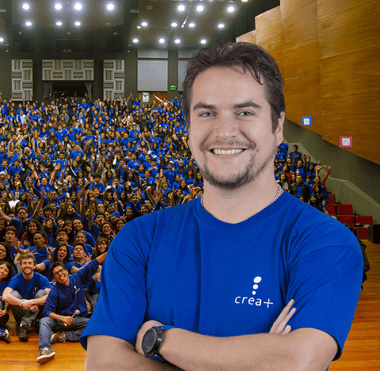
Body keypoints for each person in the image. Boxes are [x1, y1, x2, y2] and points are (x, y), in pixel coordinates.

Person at [82, 42, 363, 370]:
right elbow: (104, 364)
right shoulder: (138, 239)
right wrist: (260, 356)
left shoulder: (325, 242)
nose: (225, 130)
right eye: (206, 112)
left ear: (277, 127)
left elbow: (296, 361)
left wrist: (159, 338)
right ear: (188, 130)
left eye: (245, 111)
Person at [36, 252, 107, 364]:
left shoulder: (77, 277)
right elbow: (47, 311)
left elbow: (93, 263)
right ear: (54, 278)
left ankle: (63, 336)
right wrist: (61, 318)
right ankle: (45, 349)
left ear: (66, 271)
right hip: (61, 321)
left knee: (95, 326)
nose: (60, 274)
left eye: (61, 271)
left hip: (78, 319)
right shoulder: (54, 291)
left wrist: (109, 251)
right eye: (56, 274)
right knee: (44, 320)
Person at [2, 253, 51, 342]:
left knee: (42, 293)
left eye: (29, 263)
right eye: (24, 263)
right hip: (21, 312)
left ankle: (23, 324)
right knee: (14, 294)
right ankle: (33, 321)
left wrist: (32, 302)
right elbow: (5, 296)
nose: (27, 265)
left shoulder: (42, 278)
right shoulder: (16, 278)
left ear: (34, 265)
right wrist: (23, 304)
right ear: (20, 265)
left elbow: (50, 297)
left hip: (36, 310)